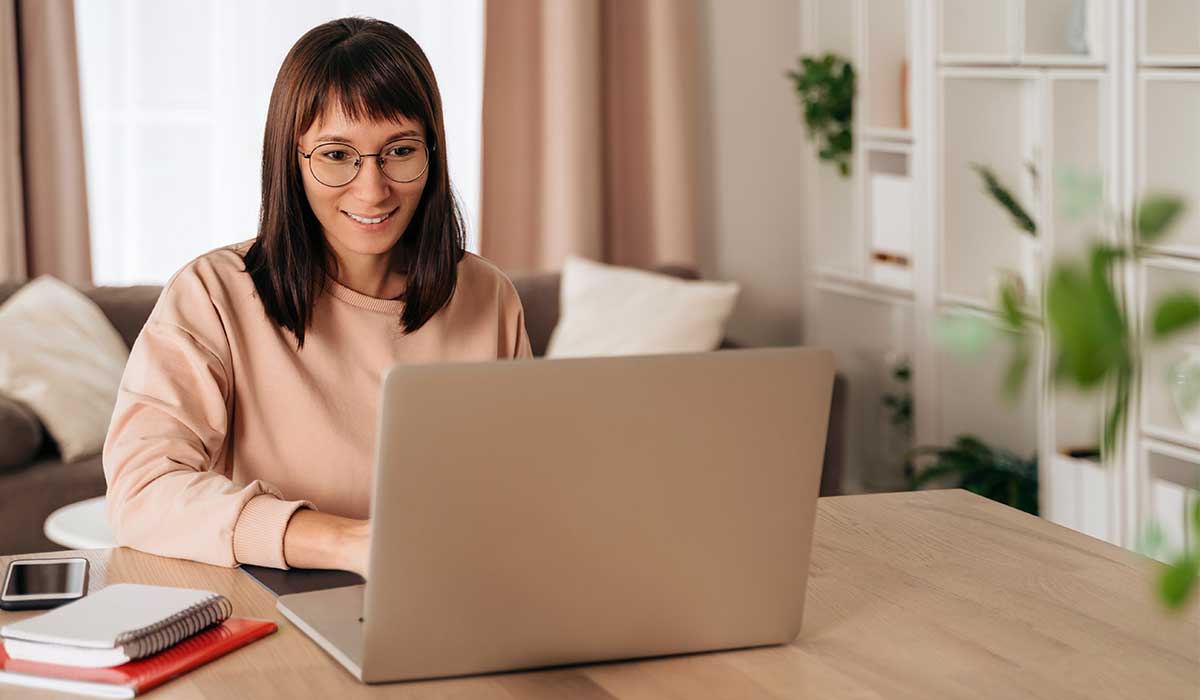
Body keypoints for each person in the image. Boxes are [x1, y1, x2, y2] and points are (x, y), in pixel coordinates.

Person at [102, 17, 531, 577]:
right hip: (274, 604)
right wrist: (345, 544)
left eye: (399, 151)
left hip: (450, 597)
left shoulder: (488, 297)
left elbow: (523, 495)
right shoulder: (213, 294)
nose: (372, 188)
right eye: (336, 155)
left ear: (433, 153)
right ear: (292, 159)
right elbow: (141, 490)